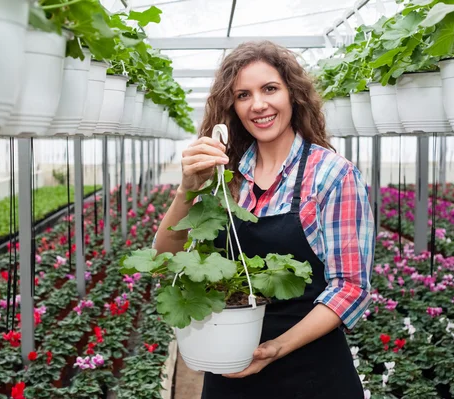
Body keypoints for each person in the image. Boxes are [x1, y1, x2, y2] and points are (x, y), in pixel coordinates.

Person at [153, 41, 374, 399]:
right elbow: (165, 255)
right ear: (232, 107)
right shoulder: (224, 174)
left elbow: (350, 288)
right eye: (243, 95)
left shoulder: (332, 175)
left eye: (270, 88)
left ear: (293, 94)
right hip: (229, 366)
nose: (258, 104)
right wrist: (187, 190)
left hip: (311, 374)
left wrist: (276, 348)